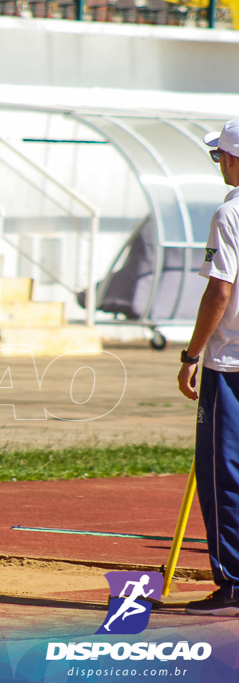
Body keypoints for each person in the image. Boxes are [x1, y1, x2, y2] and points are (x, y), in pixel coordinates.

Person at [178, 117, 239, 617]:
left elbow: (219, 290)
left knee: (222, 472)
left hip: (231, 362)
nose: (219, 164)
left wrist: (191, 354)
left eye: (219, 155)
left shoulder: (230, 213)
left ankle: (234, 583)